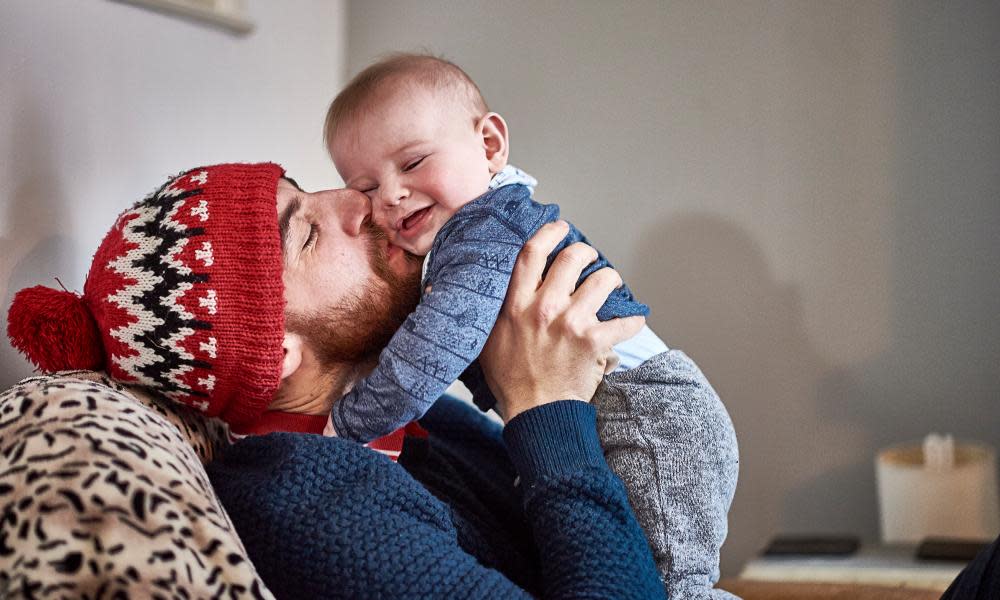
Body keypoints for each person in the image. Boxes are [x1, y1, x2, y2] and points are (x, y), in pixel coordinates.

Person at [3, 163, 662, 598]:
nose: (362, 201)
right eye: (309, 234)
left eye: (310, 190)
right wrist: (546, 408)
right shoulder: (310, 508)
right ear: (275, 351)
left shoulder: (409, 419)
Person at [322, 53, 739, 597]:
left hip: (649, 414)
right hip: (604, 416)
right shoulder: (456, 240)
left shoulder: (485, 228)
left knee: (671, 584)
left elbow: (430, 350)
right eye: (367, 188)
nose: (392, 194)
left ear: (489, 145)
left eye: (414, 161)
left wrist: (347, 424)